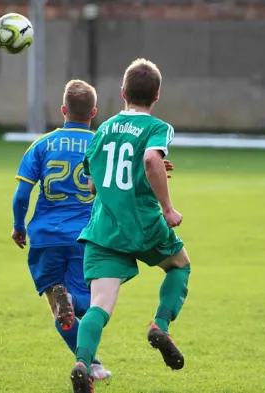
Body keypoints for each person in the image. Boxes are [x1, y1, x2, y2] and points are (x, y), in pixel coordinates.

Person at [70, 58, 191, 393]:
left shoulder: (103, 130)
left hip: (104, 228)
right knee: (180, 265)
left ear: (123, 92)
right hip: (143, 223)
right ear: (157, 95)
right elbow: (150, 159)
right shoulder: (157, 128)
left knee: (100, 305)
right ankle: (160, 325)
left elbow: (94, 186)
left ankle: (83, 362)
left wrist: (140, 171)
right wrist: (167, 208)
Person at [11, 80, 112, 381]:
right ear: (93, 112)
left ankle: (91, 364)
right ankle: (90, 359)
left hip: (44, 237)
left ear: (63, 109)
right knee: (82, 304)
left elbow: (21, 195)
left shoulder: (41, 145)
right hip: (84, 236)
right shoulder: (99, 144)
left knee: (59, 310)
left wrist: (18, 227)